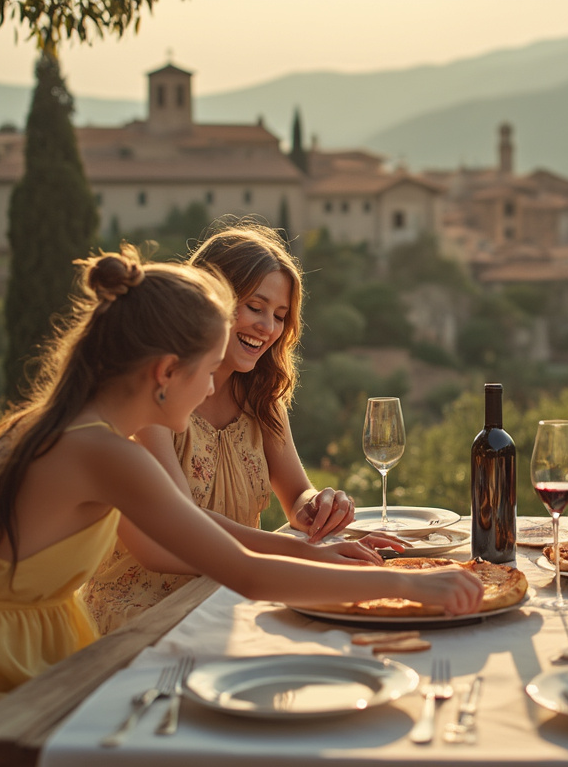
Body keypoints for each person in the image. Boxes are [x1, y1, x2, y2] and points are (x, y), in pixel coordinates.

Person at [0, 248, 482, 767]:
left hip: (11, 633)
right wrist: (405, 586)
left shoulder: (71, 423)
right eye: (206, 371)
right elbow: (247, 573)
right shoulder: (106, 450)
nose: (212, 385)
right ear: (165, 373)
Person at [82, 223, 384, 634]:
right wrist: (302, 555)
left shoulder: (264, 396)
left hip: (233, 593)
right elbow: (177, 529)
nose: (267, 327)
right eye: (255, 307)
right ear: (211, 301)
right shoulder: (155, 397)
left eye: (279, 316)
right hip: (148, 612)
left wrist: (317, 506)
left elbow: (297, 494)